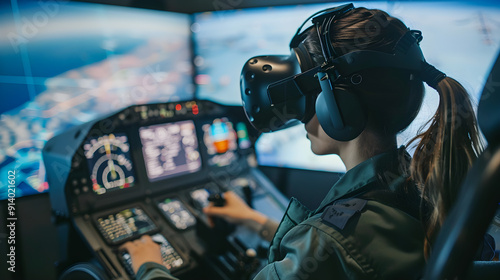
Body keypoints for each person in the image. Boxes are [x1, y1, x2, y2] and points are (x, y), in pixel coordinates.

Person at [121, 5, 488, 279]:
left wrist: (147, 265)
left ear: (336, 106)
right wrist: (255, 222)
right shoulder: (424, 185)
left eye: (304, 95)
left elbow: (331, 250)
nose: (295, 114)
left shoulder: (329, 243)